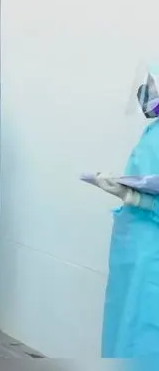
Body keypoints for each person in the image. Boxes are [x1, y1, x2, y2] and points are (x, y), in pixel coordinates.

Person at [85, 67, 159, 358]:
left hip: (151, 253)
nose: (146, 93)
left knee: (145, 330)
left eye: (152, 85)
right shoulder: (152, 130)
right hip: (136, 247)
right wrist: (126, 191)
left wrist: (135, 198)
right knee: (125, 322)